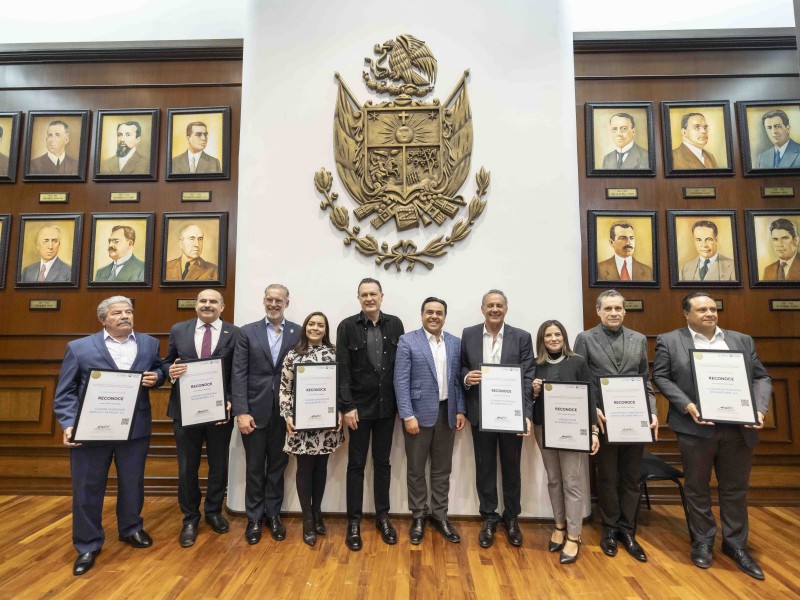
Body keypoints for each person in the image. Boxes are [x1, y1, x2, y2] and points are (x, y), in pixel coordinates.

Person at [653, 292, 770, 580]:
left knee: (735, 489)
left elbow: (761, 377)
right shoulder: (670, 340)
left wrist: (759, 409)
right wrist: (686, 404)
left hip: (738, 428)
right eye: (702, 309)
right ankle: (703, 541)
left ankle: (736, 545)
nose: (709, 314)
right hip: (695, 428)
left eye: (713, 309)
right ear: (687, 314)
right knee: (697, 487)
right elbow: (661, 376)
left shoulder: (741, 340)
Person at [53, 296, 163, 576]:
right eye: (117, 313)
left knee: (132, 483)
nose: (125, 316)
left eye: (129, 311)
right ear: (103, 319)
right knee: (87, 488)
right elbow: (65, 392)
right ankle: (88, 544)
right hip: (91, 431)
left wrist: (158, 377)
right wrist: (68, 423)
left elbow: (160, 368)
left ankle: (131, 529)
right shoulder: (79, 348)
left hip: (135, 428)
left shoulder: (149, 343)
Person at [574, 289, 658, 563]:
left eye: (618, 309)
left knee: (632, 478)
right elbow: (581, 380)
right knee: (608, 478)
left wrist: (652, 412)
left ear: (625, 311)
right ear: (598, 311)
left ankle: (627, 530)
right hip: (604, 421)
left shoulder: (638, 339)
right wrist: (592, 409)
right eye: (608, 308)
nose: (613, 313)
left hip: (634, 421)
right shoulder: (585, 339)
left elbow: (644, 380)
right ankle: (610, 529)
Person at [163, 289, 240, 547]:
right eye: (203, 301)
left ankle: (214, 512)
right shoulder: (179, 330)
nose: (208, 305)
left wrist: (230, 399)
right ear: (196, 305)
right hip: (185, 410)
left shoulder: (234, 332)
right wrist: (170, 371)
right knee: (187, 466)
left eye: (213, 302)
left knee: (219, 464)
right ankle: (190, 517)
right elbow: (165, 364)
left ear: (222, 306)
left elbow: (237, 372)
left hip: (220, 411)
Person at [460, 289, 535, 548]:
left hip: (511, 416)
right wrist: (466, 378)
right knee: (485, 468)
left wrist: (526, 414)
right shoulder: (469, 334)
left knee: (512, 469)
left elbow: (527, 377)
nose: (495, 309)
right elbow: (461, 366)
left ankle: (512, 518)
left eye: (499, 305)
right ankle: (489, 517)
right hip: (481, 414)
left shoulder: (522, 337)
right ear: (482, 308)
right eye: (490, 305)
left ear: (506, 308)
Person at [337, 277, 405, 551]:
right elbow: (342, 369)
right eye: (364, 294)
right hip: (359, 410)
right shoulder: (347, 326)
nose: (369, 298)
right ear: (359, 298)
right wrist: (347, 406)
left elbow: (401, 365)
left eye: (373, 294)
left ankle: (383, 517)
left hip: (387, 407)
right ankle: (353, 522)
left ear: (381, 296)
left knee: (383, 463)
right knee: (355, 465)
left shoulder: (395, 324)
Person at [394, 297, 466, 545]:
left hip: (447, 413)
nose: (434, 316)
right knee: (416, 469)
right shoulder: (408, 340)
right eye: (429, 312)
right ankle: (418, 516)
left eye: (439, 312)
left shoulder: (455, 343)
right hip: (418, 416)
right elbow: (400, 380)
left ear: (445, 316)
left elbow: (457, 380)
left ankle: (440, 515)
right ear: (422, 314)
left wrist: (460, 410)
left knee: (442, 470)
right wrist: (407, 414)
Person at [231, 284, 300, 545]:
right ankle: (254, 518)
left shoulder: (298, 332)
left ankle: (274, 515)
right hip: (254, 412)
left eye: (278, 300)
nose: (274, 304)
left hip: (285, 415)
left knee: (278, 467)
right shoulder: (247, 332)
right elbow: (238, 373)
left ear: (287, 302)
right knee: (254, 468)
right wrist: (241, 411)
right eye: (269, 299)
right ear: (264, 301)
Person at [532, 320, 599, 564]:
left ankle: (574, 534)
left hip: (573, 429)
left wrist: (593, 431)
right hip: (544, 429)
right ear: (542, 339)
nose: (553, 339)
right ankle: (559, 525)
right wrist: (535, 392)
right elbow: (529, 400)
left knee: (572, 480)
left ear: (564, 337)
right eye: (548, 335)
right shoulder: (535, 364)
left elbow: (589, 395)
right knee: (553, 479)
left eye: (557, 334)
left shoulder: (578, 361)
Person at [279, 312, 344, 547]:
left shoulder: (336, 353)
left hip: (326, 424)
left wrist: (339, 411)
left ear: (326, 330)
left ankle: (317, 513)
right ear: (305, 327)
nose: (315, 328)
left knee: (321, 469)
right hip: (301, 424)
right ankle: (307, 520)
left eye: (320, 325)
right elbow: (285, 389)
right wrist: (287, 415)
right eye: (312, 324)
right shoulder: (293, 355)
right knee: (304, 470)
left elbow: (340, 389)